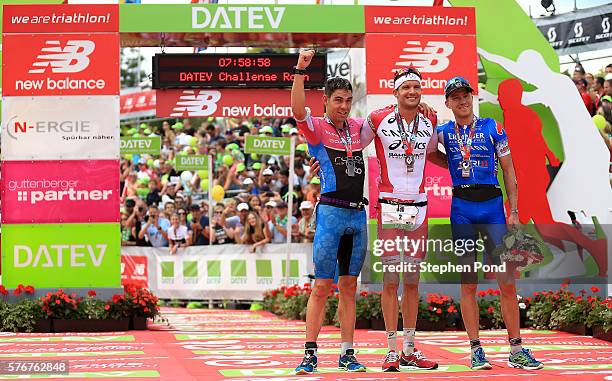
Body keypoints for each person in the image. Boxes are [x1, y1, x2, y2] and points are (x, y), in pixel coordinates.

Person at [433, 76, 543, 371]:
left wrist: (515, 210)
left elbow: (509, 170)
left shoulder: (492, 127)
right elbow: (428, 153)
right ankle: (475, 349)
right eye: (455, 97)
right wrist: (452, 163)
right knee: (468, 283)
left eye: (466, 95)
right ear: (448, 103)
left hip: (494, 209)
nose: (462, 101)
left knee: (507, 282)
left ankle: (516, 349)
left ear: (473, 97)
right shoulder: (443, 132)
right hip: (462, 212)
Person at [292, 48, 374, 374]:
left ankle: (347, 353)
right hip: (330, 214)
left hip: (357, 216)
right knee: (322, 287)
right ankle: (310, 354)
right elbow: (298, 111)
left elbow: (387, 120)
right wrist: (300, 69)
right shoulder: (316, 128)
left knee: (350, 287)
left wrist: (418, 105)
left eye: (348, 100)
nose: (343, 106)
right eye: (337, 99)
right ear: (325, 100)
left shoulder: (357, 128)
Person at [367, 67, 439, 372]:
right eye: (405, 87)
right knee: (391, 278)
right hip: (389, 206)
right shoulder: (377, 118)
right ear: (395, 92)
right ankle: (391, 349)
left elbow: (433, 152)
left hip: (419, 207)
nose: (411, 92)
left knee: (412, 280)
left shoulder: (430, 119)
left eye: (416, 87)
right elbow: (351, 143)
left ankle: (410, 348)